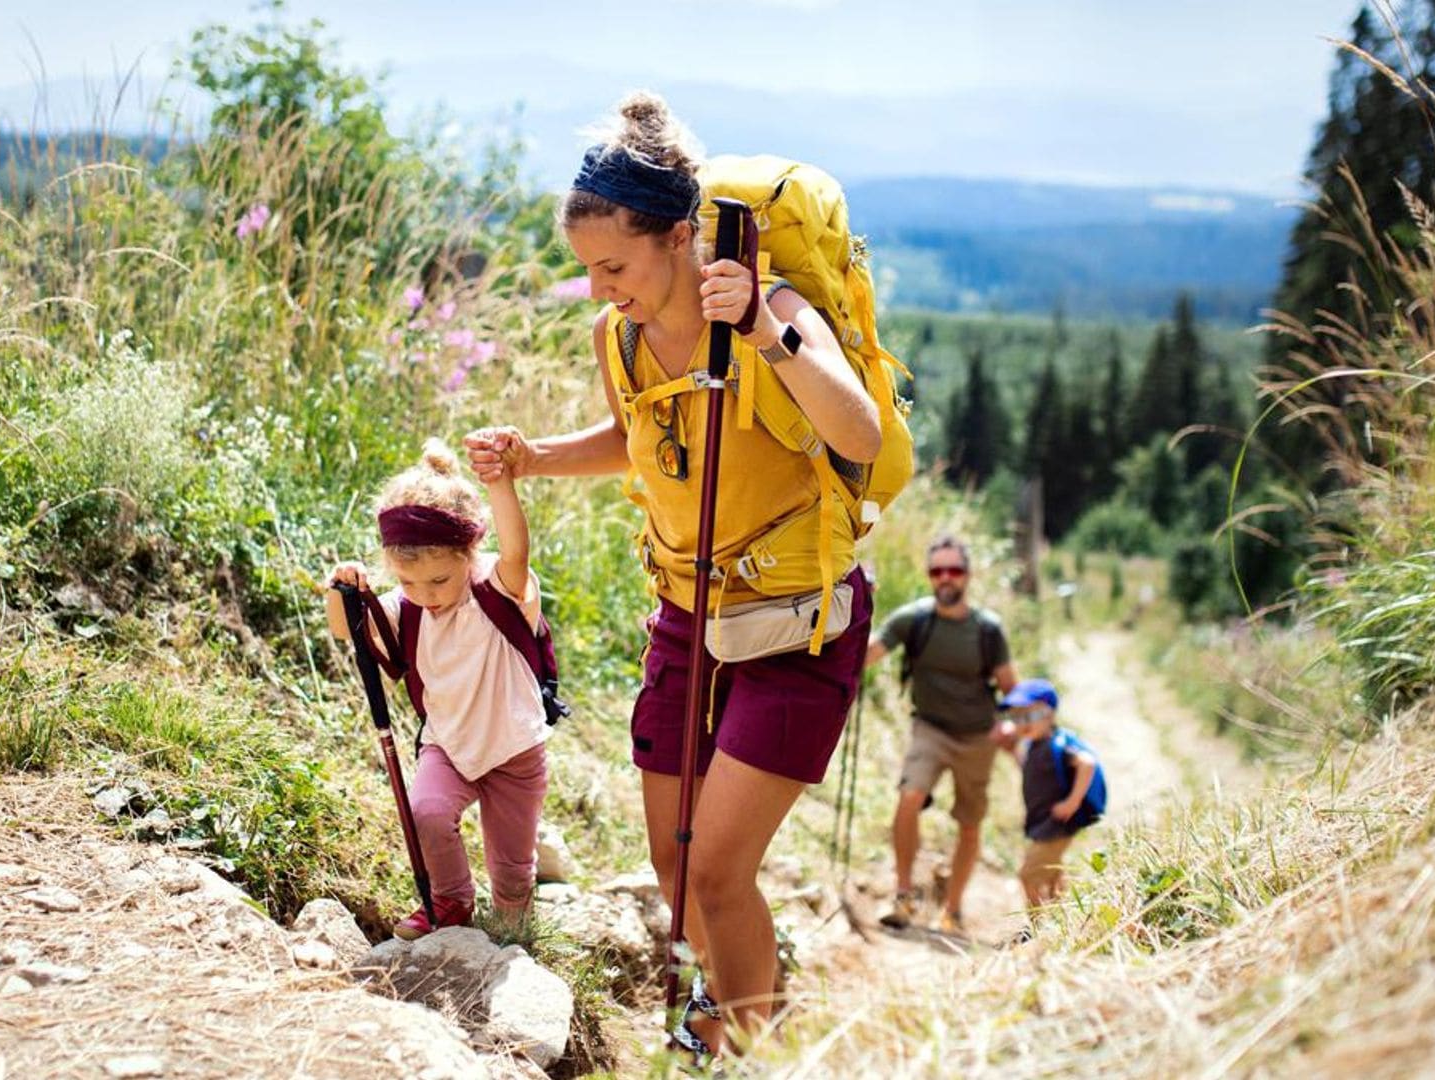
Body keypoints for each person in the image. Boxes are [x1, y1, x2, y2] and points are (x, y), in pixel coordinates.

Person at [463, 91, 880, 1055]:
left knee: (720, 872)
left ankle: (749, 1050)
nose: (602, 287)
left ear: (682, 236)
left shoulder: (771, 308)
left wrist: (771, 339)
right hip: (687, 616)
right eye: (588, 270)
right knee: (674, 861)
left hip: (795, 621)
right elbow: (637, 436)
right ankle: (717, 1030)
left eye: (615, 265)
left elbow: (855, 429)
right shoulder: (620, 333)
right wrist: (533, 457)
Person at [324, 439, 549, 940]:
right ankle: (451, 903)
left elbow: (517, 548)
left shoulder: (497, 587)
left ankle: (515, 926)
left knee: (512, 865)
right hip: (448, 743)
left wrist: (500, 482)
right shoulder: (408, 608)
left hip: (514, 748)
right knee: (427, 811)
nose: (426, 596)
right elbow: (347, 629)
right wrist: (339, 589)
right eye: (408, 582)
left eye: (440, 581)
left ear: (470, 554)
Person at [863, 535, 1016, 933]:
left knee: (969, 823)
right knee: (909, 796)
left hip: (978, 737)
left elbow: (1012, 688)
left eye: (954, 570)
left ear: (968, 576)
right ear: (929, 576)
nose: (946, 578)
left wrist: (1021, 730)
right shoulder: (913, 620)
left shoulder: (987, 630)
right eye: (937, 571)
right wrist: (857, 608)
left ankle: (953, 908)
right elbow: (869, 653)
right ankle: (903, 895)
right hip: (929, 728)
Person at [993, 677, 1103, 909]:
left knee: (1027, 875)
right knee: (1053, 873)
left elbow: (1087, 763)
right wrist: (1013, 752)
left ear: (1050, 714)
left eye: (1030, 716)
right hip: (1043, 821)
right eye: (1017, 717)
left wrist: (1072, 802)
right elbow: (1032, 773)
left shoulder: (1059, 745)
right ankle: (1063, 912)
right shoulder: (1034, 747)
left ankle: (1038, 923)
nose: (1023, 724)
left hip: (1058, 823)